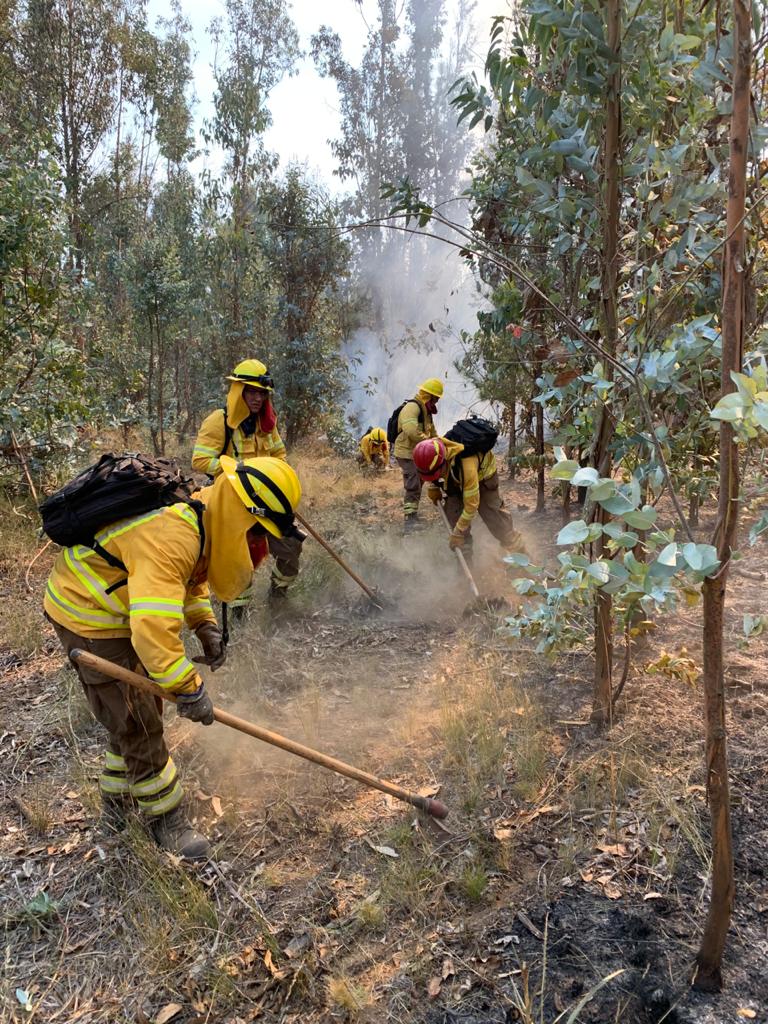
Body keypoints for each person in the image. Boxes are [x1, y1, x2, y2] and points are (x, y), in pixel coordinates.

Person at [44, 456, 302, 859]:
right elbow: (152, 631)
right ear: (243, 515)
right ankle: (166, 819)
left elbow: (189, 579)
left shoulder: (203, 511)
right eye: (258, 533)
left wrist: (204, 625)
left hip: (115, 611)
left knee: (129, 717)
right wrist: (189, 687)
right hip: (89, 617)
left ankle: (116, 802)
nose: (259, 546)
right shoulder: (173, 533)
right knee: (140, 722)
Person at [192, 359, 302, 602]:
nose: (257, 398)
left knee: (291, 545)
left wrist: (278, 482)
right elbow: (200, 460)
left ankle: (278, 596)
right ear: (238, 390)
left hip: (267, 501)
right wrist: (236, 474)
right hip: (233, 502)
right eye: (251, 391)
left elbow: (279, 456)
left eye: (262, 393)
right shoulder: (218, 421)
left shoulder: (267, 423)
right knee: (238, 558)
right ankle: (240, 612)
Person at [412, 435, 523, 556]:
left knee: (495, 517)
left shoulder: (467, 466)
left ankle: (519, 553)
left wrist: (458, 532)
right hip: (455, 476)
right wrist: (434, 485)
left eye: (436, 475)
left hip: (483, 477)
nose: (435, 477)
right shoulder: (432, 449)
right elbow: (431, 469)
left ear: (444, 462)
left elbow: (471, 506)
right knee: (454, 516)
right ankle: (465, 556)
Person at [393, 378, 442, 533]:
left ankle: (413, 515)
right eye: (436, 398)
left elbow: (432, 432)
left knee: (419, 483)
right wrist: (429, 442)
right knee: (413, 483)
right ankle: (409, 521)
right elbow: (411, 430)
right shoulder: (412, 407)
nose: (437, 401)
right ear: (429, 395)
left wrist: (440, 444)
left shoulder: (426, 411)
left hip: (417, 453)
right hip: (406, 453)